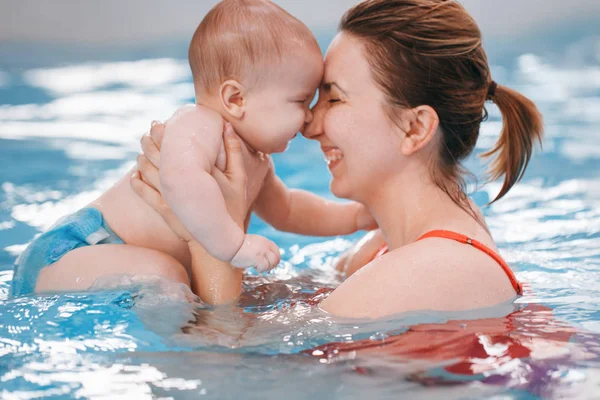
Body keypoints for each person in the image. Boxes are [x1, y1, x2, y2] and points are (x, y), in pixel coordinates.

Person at [133, 0, 543, 318]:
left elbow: (225, 374)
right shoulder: (391, 248)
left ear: (415, 129)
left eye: (335, 97)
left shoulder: (431, 269)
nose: (310, 126)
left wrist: (203, 238)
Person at [10, 0, 375, 297]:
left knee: (184, 282)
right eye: (300, 101)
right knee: (166, 275)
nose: (311, 120)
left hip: (112, 259)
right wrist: (232, 246)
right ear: (235, 99)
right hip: (73, 252)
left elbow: (290, 209)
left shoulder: (255, 160)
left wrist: (356, 217)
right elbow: (180, 179)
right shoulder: (198, 124)